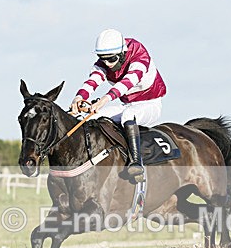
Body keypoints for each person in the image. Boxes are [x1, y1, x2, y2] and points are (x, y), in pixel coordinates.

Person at [69, 29, 167, 181]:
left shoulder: (139, 55)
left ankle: (136, 163)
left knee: (128, 115)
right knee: (90, 117)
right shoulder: (105, 62)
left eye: (111, 59)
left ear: (122, 53)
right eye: (103, 59)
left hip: (150, 104)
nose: (107, 63)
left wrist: (104, 100)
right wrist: (79, 98)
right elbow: (92, 81)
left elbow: (127, 82)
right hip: (127, 105)